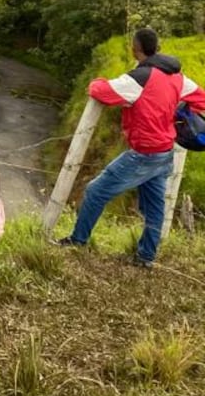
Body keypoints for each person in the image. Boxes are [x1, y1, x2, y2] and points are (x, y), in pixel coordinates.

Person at [57, 28, 205, 267]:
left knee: (95, 191)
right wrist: (176, 109)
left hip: (144, 154)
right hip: (165, 153)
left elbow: (100, 91)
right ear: (157, 47)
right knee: (155, 207)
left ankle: (78, 240)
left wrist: (97, 80)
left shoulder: (139, 78)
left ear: (135, 49)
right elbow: (201, 98)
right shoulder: (178, 77)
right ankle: (146, 257)